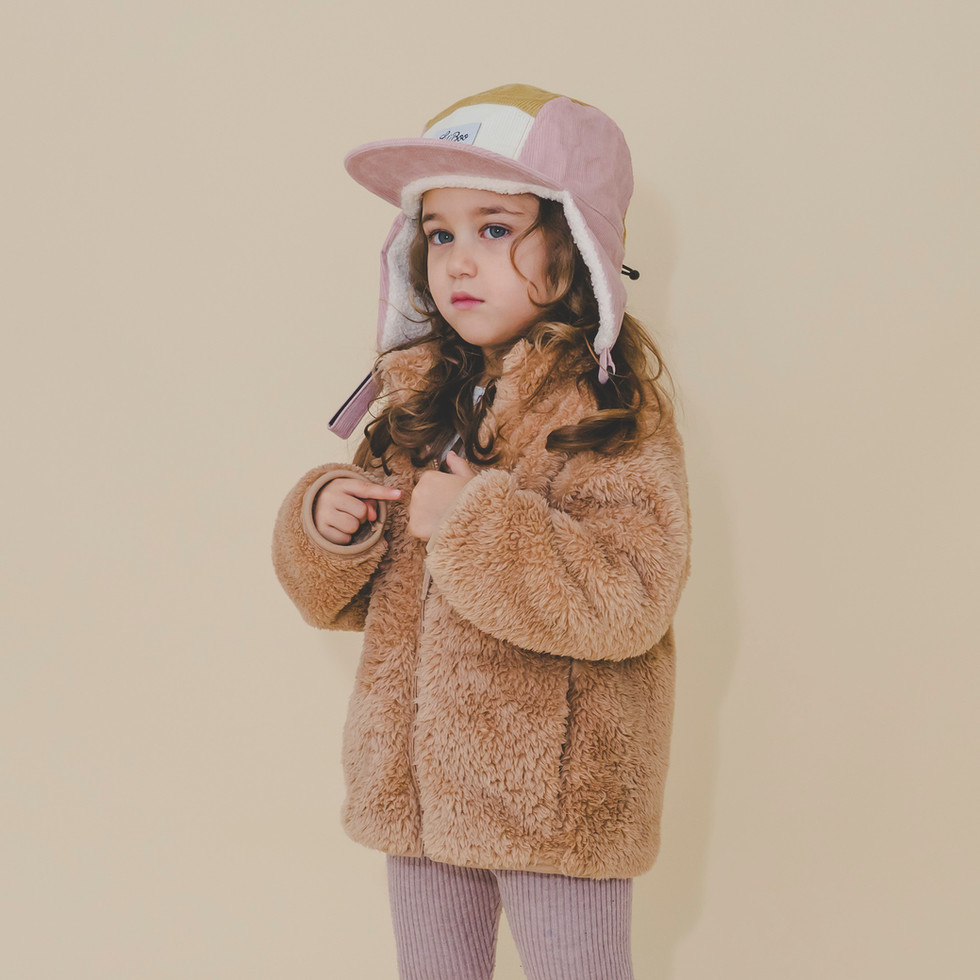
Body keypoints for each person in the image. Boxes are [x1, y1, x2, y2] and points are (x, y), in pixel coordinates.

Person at [272, 84, 692, 980]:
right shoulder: (423, 397)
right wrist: (331, 525)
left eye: (495, 229)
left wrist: (478, 525)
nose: (460, 261)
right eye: (440, 233)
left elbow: (629, 600)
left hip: (556, 792)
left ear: (574, 244)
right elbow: (357, 600)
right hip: (418, 786)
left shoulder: (610, 408)